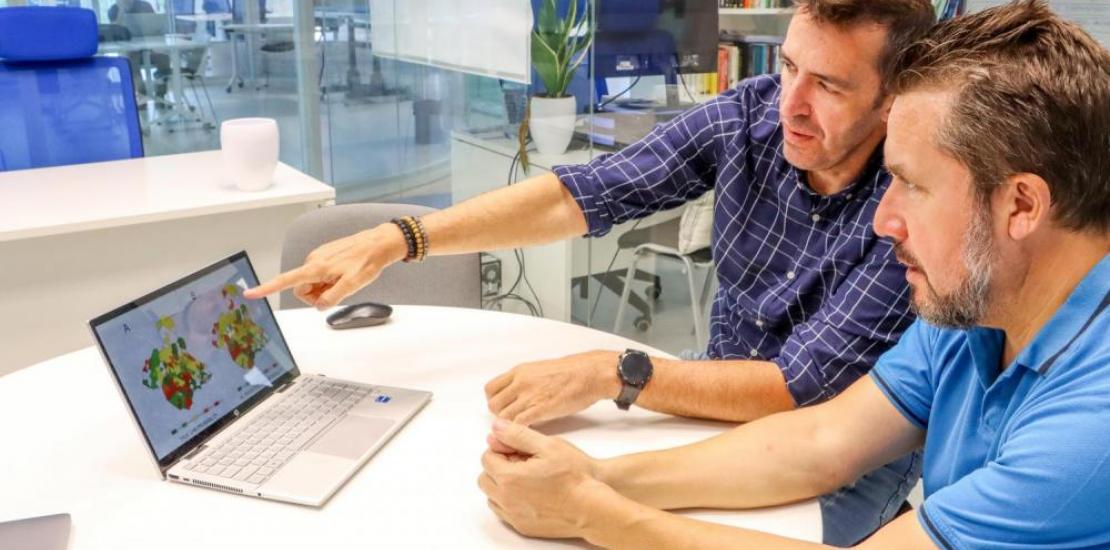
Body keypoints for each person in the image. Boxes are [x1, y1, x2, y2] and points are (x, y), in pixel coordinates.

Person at [245, 1, 936, 544]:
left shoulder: (908, 203)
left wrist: (616, 371)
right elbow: (585, 193)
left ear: (892, 98)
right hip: (711, 403)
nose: (791, 104)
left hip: (842, 454)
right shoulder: (750, 114)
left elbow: (800, 392)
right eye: (788, 67)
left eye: (828, 86)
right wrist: (404, 237)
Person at [478, 1, 1110, 547]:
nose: (885, 219)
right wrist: (597, 477)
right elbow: (821, 441)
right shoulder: (982, 300)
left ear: (1021, 206)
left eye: (912, 186)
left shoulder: (1092, 426)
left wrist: (596, 517)